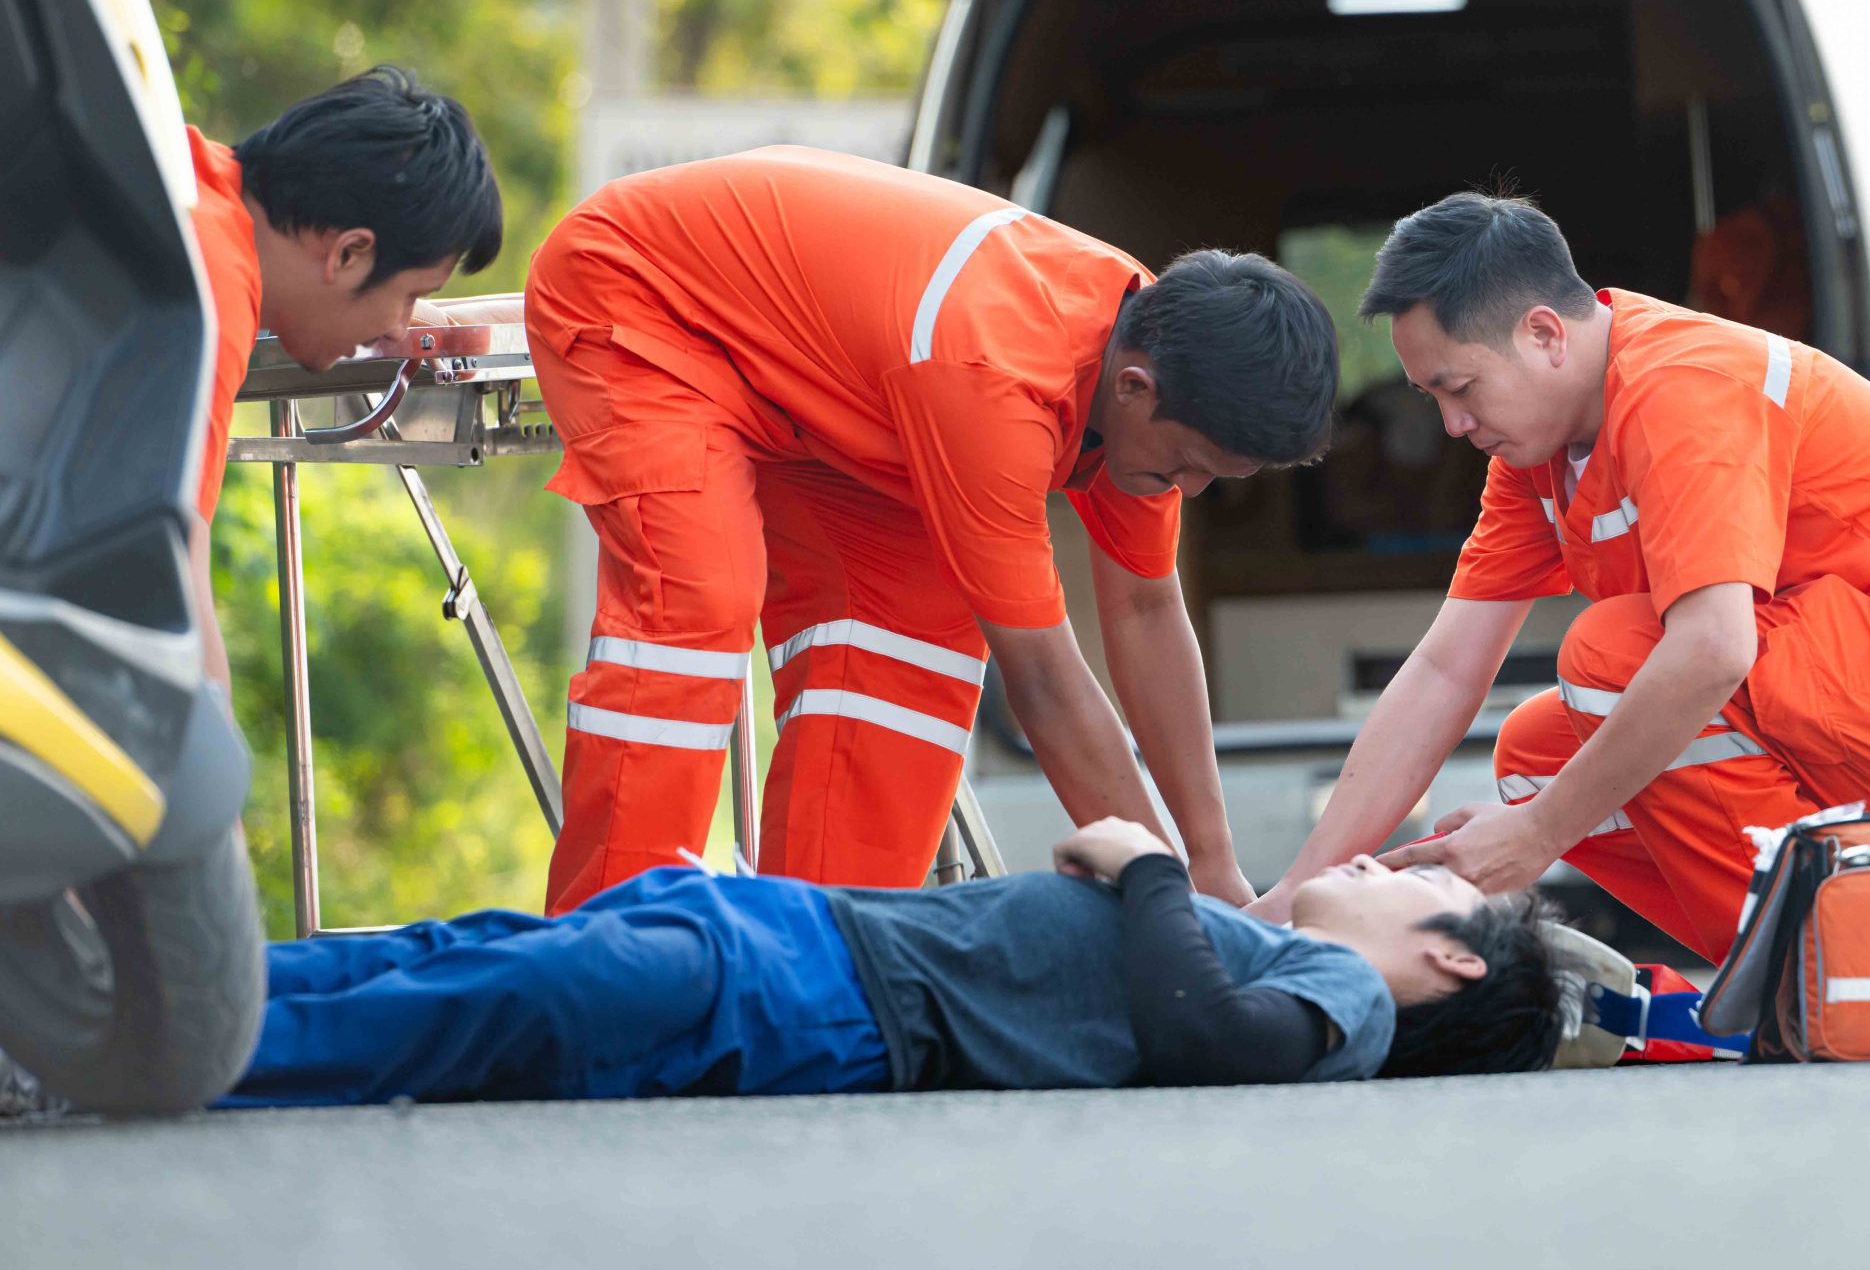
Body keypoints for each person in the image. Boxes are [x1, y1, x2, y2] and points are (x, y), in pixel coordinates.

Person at [1252, 191, 1870, 962]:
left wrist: (1538, 835)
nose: (1451, 423)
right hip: (1869, 696)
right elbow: (1446, 669)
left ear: (1545, 334)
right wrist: (1297, 892)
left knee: (1614, 656)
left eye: (1458, 387)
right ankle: (1824, 960)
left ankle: (1848, 958)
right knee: (1537, 751)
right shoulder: (1536, 459)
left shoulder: (1681, 385)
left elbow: (1715, 648)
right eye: (1431, 397)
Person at [524, 150, 1339, 914]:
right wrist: (1168, 902)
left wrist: (1213, 866)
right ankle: (607, 953)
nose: (1186, 491)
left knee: (912, 645)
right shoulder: (996, 379)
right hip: (643, 297)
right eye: (1188, 467)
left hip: (813, 380)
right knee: (698, 597)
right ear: (1134, 387)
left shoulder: (1159, 358)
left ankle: (820, 963)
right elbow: (1048, 687)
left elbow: (1146, 611)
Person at [219, 819, 1565, 1104]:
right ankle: (161, 999)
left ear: (1444, 960)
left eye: (1421, 884)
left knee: (501, 997)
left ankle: (191, 1058)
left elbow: (1210, 1039)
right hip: (800, 931)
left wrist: (1152, 866)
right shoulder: (1290, 952)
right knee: (459, 955)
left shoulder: (1340, 999)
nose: (1387, 863)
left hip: (823, 991)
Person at [187, 66, 505, 691]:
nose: (396, 330)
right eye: (411, 294)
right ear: (349, 252)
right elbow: (164, 579)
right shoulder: (204, 292)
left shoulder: (188, 186)